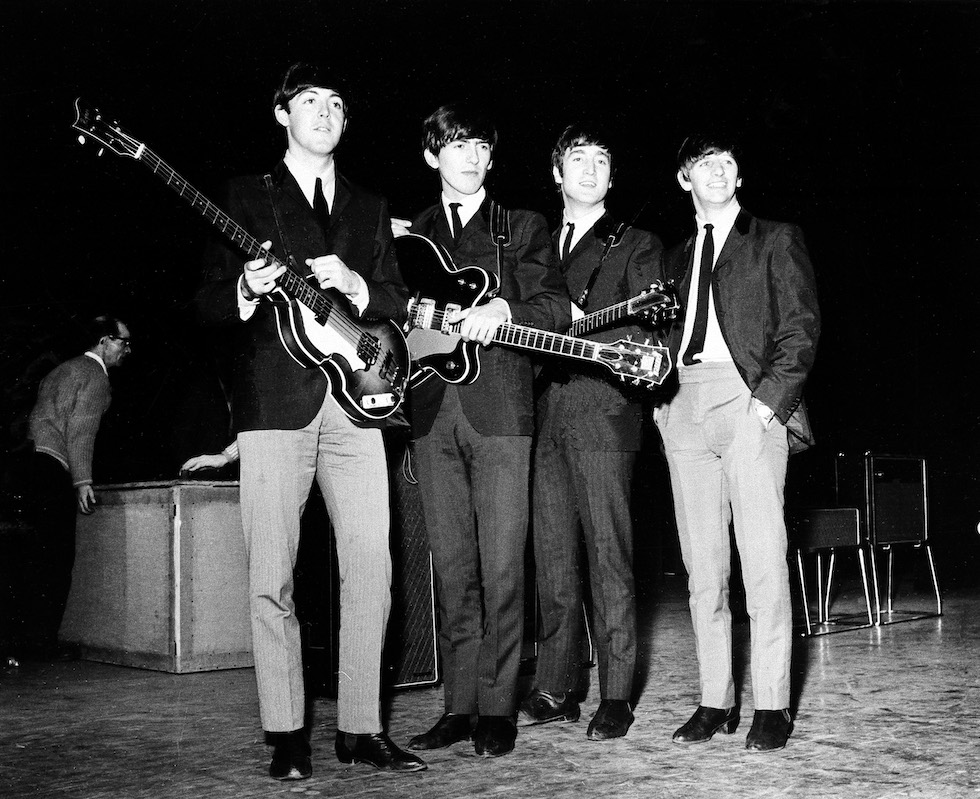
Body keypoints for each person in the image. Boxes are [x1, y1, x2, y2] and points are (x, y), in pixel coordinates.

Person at [192, 62, 424, 779]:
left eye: (337, 105)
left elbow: (390, 294)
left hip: (358, 404)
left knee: (373, 568)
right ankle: (287, 731)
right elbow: (203, 303)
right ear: (281, 114)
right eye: (309, 101)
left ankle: (360, 726)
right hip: (275, 405)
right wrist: (241, 285)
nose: (324, 112)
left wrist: (355, 282)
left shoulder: (370, 203)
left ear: (346, 124)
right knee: (272, 574)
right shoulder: (242, 197)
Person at [394, 104, 571, 758]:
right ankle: (458, 706)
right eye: (455, 145)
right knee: (453, 568)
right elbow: (387, 323)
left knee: (502, 566)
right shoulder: (407, 234)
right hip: (431, 410)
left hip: (501, 411)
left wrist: (508, 306)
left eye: (479, 147)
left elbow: (555, 306)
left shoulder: (522, 226)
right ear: (431, 155)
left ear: (493, 159)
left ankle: (497, 707)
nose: (469, 156)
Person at [654, 134, 820, 751]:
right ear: (683, 179)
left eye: (728, 162)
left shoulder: (775, 238)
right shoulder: (669, 259)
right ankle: (714, 698)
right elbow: (652, 336)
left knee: (762, 560)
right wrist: (660, 407)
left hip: (749, 403)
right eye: (704, 164)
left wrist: (768, 404)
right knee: (703, 568)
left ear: (739, 177)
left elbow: (801, 327)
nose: (718, 171)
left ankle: (772, 704)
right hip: (682, 406)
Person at [518, 123, 663, 740]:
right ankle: (556, 683)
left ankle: (616, 694)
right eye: (579, 158)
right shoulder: (533, 244)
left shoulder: (637, 244)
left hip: (603, 411)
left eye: (602, 160)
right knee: (552, 559)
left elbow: (652, 338)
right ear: (557, 172)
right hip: (540, 413)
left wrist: (589, 333)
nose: (591, 169)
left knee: (609, 556)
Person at [24, 315, 132, 659]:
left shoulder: (61, 369)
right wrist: (82, 481)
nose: (128, 349)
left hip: (29, 463)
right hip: (53, 467)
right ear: (103, 341)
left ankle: (22, 643)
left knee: (33, 559)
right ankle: (42, 644)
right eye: (122, 342)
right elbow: (81, 430)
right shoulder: (95, 375)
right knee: (56, 560)